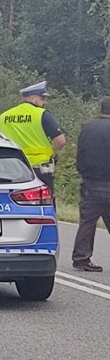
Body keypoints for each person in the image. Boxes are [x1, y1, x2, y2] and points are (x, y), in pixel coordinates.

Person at [0, 81, 67, 192]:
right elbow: (61, 141)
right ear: (32, 98)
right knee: (43, 202)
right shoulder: (42, 114)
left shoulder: (4, 116)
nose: (45, 102)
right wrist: (53, 151)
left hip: (11, 169)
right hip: (39, 169)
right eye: (42, 99)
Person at [70, 96, 110, 272]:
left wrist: (84, 173)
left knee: (87, 222)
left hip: (90, 182)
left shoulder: (87, 128)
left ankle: (81, 258)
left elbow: (80, 154)